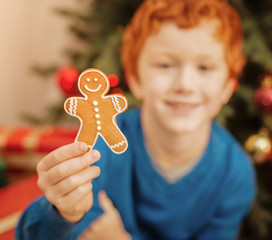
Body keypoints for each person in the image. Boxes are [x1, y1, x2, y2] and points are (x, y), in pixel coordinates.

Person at [16, 0, 256, 239]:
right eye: (165, 64)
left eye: (205, 68)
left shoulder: (234, 173)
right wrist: (63, 212)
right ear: (135, 79)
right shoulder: (100, 151)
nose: (185, 85)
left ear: (227, 87)